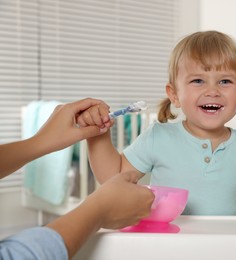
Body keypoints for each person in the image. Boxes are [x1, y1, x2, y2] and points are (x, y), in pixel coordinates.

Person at [77, 31, 236, 223]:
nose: (213, 91)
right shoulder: (159, 137)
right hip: (169, 243)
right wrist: (97, 136)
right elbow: (112, 177)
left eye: (225, 81)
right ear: (174, 94)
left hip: (225, 245)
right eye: (198, 81)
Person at [0, 98, 154, 259]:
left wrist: (39, 142)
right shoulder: (155, 136)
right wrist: (98, 211)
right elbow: (116, 175)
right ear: (172, 93)